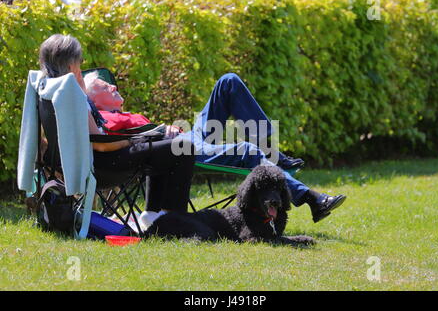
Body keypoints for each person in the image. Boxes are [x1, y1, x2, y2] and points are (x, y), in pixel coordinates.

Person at [83, 71, 347, 223]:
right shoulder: (104, 118)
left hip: (188, 138)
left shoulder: (121, 112)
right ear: (95, 100)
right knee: (246, 151)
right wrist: (163, 131)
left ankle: (271, 150)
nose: (114, 85)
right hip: (180, 151)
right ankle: (312, 199)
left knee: (228, 82)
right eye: (105, 86)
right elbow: (131, 142)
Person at [38, 34, 195, 230]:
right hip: (103, 164)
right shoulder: (72, 94)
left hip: (88, 161)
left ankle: (153, 214)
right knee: (183, 147)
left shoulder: (51, 88)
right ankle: (176, 220)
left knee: (162, 145)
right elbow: (101, 144)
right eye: (79, 60)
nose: (81, 64)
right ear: (71, 64)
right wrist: (136, 139)